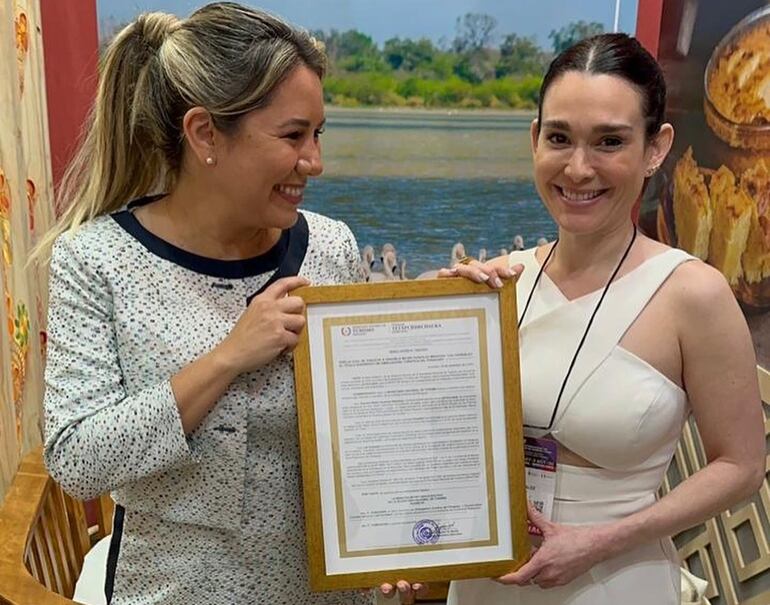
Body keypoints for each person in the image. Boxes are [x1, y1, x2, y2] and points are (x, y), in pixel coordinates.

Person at [36, 3, 379, 604]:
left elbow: (372, 426)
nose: (315, 162)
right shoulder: (95, 261)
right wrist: (227, 358)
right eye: (293, 135)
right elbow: (78, 460)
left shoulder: (330, 246)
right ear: (204, 134)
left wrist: (456, 312)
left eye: (318, 134)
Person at [442, 33, 765, 605]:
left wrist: (602, 540)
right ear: (534, 140)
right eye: (559, 138)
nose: (579, 168)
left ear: (655, 148)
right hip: (486, 584)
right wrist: (421, 322)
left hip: (618, 580)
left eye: (610, 141)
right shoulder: (492, 283)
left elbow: (741, 466)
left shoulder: (693, 293)